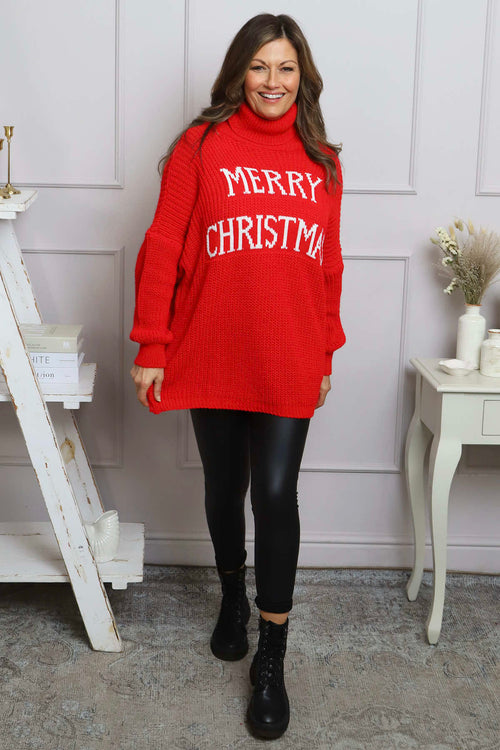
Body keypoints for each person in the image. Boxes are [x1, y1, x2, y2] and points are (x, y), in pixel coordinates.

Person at [130, 13, 345, 740]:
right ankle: (230, 596)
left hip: (288, 353)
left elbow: (328, 266)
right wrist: (152, 342)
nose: (272, 82)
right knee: (226, 487)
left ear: (302, 77)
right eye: (259, 67)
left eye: (286, 68)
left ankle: (272, 657)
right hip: (213, 345)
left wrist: (324, 353)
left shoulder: (322, 161)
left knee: (276, 493)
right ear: (238, 74)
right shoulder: (202, 145)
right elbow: (164, 242)